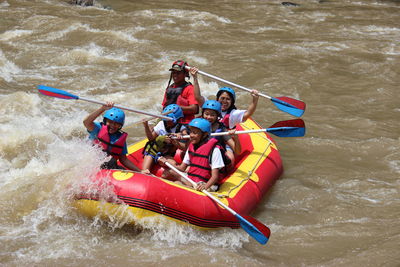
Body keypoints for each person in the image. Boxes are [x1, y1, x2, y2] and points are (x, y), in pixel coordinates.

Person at [159, 118, 224, 192]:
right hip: (192, 179)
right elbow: (182, 168)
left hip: (205, 183)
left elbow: (215, 177)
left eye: (195, 133)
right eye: (191, 132)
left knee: (177, 183)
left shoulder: (214, 150)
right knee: (167, 173)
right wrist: (165, 162)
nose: (191, 135)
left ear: (205, 134)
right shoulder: (191, 146)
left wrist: (205, 186)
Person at [190, 67, 260, 129]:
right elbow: (198, 97)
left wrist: (255, 99)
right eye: (222, 98)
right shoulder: (210, 106)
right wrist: (195, 78)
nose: (224, 101)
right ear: (217, 98)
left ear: (232, 102)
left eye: (228, 99)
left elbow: (248, 113)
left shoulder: (233, 114)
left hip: (221, 140)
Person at [83, 102, 140, 171]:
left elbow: (123, 159)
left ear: (120, 125)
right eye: (110, 122)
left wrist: (140, 171)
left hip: (110, 166)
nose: (113, 126)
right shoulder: (98, 128)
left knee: (118, 166)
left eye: (116, 124)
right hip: (94, 164)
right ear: (105, 121)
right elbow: (86, 122)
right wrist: (102, 109)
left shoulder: (120, 138)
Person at [141, 104, 188, 174]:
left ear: (178, 120)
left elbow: (186, 135)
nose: (168, 122)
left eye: (170, 121)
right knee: (145, 171)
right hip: (153, 151)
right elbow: (151, 138)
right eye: (166, 120)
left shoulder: (181, 128)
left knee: (174, 164)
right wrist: (146, 126)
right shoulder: (161, 124)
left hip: (167, 155)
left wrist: (179, 134)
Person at [201, 100, 240, 170]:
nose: (209, 117)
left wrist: (236, 138)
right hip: (201, 157)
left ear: (217, 116)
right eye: (206, 114)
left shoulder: (221, 129)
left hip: (215, 160)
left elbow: (237, 151)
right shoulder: (197, 127)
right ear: (202, 114)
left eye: (212, 115)